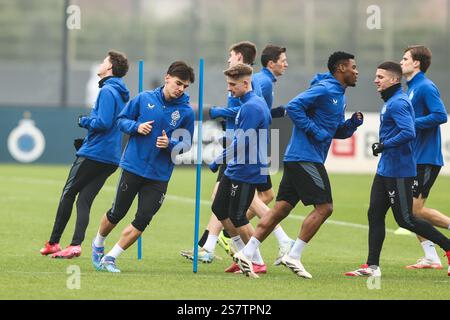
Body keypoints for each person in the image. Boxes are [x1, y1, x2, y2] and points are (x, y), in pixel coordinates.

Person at [233, 51, 364, 278]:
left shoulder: (339, 95)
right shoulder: (325, 88)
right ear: (341, 68)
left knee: (280, 209)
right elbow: (294, 107)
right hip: (305, 157)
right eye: (354, 67)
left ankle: (247, 252)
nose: (357, 71)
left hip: (300, 157)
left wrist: (352, 124)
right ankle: (293, 255)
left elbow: (333, 132)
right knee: (325, 207)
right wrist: (314, 130)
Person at [180, 41, 293, 268]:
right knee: (225, 205)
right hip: (238, 157)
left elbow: (247, 132)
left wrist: (212, 112)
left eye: (231, 55)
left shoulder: (255, 90)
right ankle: (224, 249)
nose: (229, 89)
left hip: (245, 161)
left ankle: (257, 254)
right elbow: (256, 121)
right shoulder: (252, 95)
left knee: (239, 211)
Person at [344, 61, 450, 277]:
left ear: (393, 80)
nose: (375, 80)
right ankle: (372, 267)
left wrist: (384, 144)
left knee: (406, 219)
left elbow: (409, 131)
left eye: (380, 77)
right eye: (376, 76)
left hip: (400, 170)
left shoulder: (398, 103)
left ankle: (447, 246)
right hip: (386, 169)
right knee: (375, 214)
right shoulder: (392, 100)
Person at [91, 61, 195, 273]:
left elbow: (186, 144)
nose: (180, 89)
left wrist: (171, 145)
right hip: (134, 166)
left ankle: (111, 257)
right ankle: (98, 243)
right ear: (167, 77)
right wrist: (136, 127)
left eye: (185, 86)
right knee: (117, 212)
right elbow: (121, 120)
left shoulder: (186, 112)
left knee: (144, 218)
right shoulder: (143, 98)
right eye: (178, 83)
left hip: (159, 175)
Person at [40, 50, 130, 258]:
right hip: (110, 157)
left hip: (95, 154)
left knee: (68, 193)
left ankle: (54, 242)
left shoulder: (107, 91)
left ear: (109, 68)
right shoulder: (118, 92)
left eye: (103, 61)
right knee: (84, 200)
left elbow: (103, 122)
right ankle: (75, 245)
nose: (100, 64)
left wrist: (84, 121)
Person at [209, 63, 271, 277]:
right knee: (219, 208)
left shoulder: (252, 106)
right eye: (228, 84)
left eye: (233, 85)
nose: (229, 89)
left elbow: (243, 142)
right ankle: (243, 255)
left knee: (237, 215)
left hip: (247, 168)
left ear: (246, 83)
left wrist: (219, 159)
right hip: (237, 166)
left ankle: (257, 261)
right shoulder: (249, 104)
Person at [400, 45, 450, 269]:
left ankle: (434, 253)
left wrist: (412, 124)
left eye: (405, 58)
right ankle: (430, 257)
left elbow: (440, 115)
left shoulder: (426, 87)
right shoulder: (410, 87)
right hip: (414, 157)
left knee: (414, 211)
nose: (401, 62)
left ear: (416, 63)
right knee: (409, 212)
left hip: (426, 158)